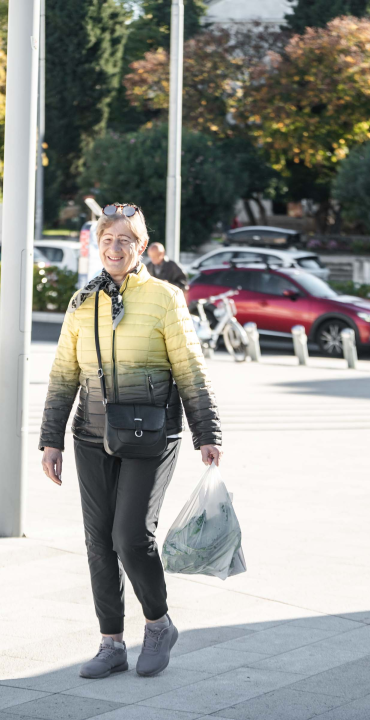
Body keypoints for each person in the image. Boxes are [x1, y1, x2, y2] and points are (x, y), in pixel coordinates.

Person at [39, 203, 222, 681]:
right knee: (99, 543)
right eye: (107, 240)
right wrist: (51, 439)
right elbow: (63, 374)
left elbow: (189, 368)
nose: (115, 248)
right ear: (97, 246)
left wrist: (208, 431)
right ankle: (111, 643)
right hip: (91, 433)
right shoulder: (82, 302)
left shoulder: (164, 297)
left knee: (130, 535)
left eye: (125, 240)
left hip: (152, 432)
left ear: (141, 246)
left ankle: (158, 625)